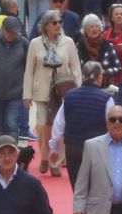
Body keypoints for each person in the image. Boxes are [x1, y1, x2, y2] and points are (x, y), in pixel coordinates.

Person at [50, 62, 115, 185]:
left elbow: (59, 124)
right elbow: (111, 126)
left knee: (77, 187)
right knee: (95, 187)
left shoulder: (69, 96)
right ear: (99, 77)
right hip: (97, 147)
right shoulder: (106, 98)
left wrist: (54, 147)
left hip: (73, 146)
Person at [26, 8, 83, 144]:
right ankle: (45, 156)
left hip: (64, 90)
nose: (58, 25)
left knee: (61, 125)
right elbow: (29, 70)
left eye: (60, 22)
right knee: (41, 125)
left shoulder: (68, 42)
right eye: (54, 23)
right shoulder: (35, 43)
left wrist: (78, 90)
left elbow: (76, 68)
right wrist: (26, 95)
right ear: (46, 25)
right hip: (42, 89)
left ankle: (58, 159)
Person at [0, 16, 31, 142]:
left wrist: (27, 91)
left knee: (11, 123)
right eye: (11, 32)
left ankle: (13, 151)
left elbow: (29, 69)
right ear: (3, 29)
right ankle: (2, 154)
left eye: (16, 33)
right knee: (0, 127)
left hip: (15, 93)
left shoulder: (24, 43)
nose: (14, 35)